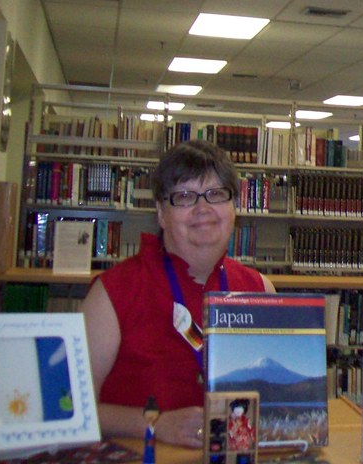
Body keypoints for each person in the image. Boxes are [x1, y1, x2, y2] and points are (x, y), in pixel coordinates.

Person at [81, 139, 275, 447]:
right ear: (161, 212)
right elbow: (72, 410)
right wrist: (153, 424)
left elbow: (276, 396)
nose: (203, 208)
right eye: (185, 196)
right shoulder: (113, 294)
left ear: (233, 207)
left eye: (216, 194)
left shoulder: (260, 289)